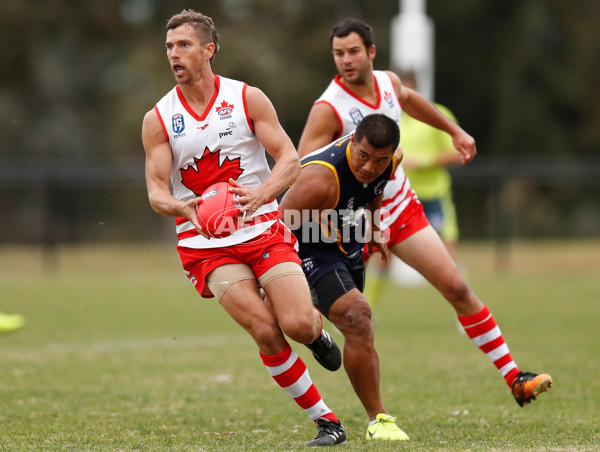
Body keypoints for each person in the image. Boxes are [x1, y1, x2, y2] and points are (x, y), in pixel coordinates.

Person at [296, 17, 552, 436]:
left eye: (353, 51)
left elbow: (411, 100)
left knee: (456, 287)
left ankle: (515, 378)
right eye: (338, 53)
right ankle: (360, 397)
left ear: (371, 52)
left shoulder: (388, 84)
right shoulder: (328, 109)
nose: (345, 60)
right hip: (349, 223)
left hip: (398, 208)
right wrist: (340, 218)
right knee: (356, 317)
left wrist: (453, 130)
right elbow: (303, 167)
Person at [141, 10, 346, 446]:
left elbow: (289, 159)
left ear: (209, 50)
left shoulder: (247, 98)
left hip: (262, 228)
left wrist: (261, 194)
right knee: (265, 329)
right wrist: (183, 207)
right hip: (207, 244)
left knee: (295, 324)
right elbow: (156, 192)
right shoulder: (158, 118)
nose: (174, 54)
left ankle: (316, 332)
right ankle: (327, 422)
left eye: (183, 45)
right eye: (169, 47)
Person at [281, 113, 410, 441]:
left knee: (358, 329)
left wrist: (377, 226)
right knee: (358, 316)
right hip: (311, 249)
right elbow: (280, 222)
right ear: (352, 141)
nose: (369, 167)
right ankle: (378, 419)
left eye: (379, 161)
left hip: (348, 244)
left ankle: (316, 331)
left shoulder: (390, 159)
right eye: (363, 156)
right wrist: (279, 275)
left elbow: (376, 187)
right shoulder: (318, 180)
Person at [365, 70, 463, 307]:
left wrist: (426, 160)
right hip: (397, 201)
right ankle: (367, 310)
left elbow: (458, 153)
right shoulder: (386, 120)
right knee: (382, 257)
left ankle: (464, 307)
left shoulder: (435, 115)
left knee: (450, 254)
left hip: (434, 197)